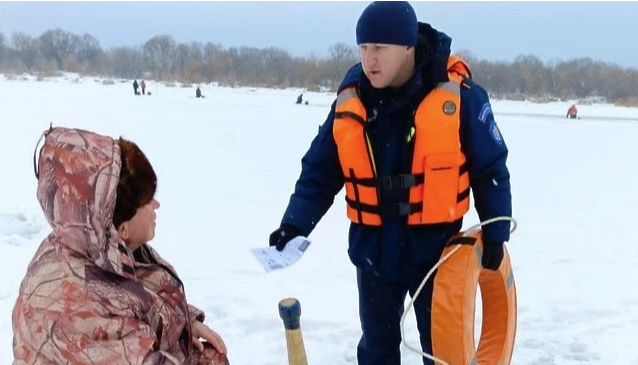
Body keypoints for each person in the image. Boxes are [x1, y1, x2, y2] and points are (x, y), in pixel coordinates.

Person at [268, 2, 512, 365]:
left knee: (441, 348)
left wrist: (496, 231)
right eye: (364, 48)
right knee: (376, 348)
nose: (370, 59)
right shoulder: (352, 101)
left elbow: (489, 167)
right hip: (374, 251)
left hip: (437, 252)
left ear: (408, 47)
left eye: (380, 48)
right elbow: (319, 172)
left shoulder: (459, 96)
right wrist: (294, 224)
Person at [13, 127, 229, 365]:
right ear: (121, 228)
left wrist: (185, 324)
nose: (156, 205)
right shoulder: (76, 303)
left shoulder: (100, 247)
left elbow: (141, 294)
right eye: (146, 200)